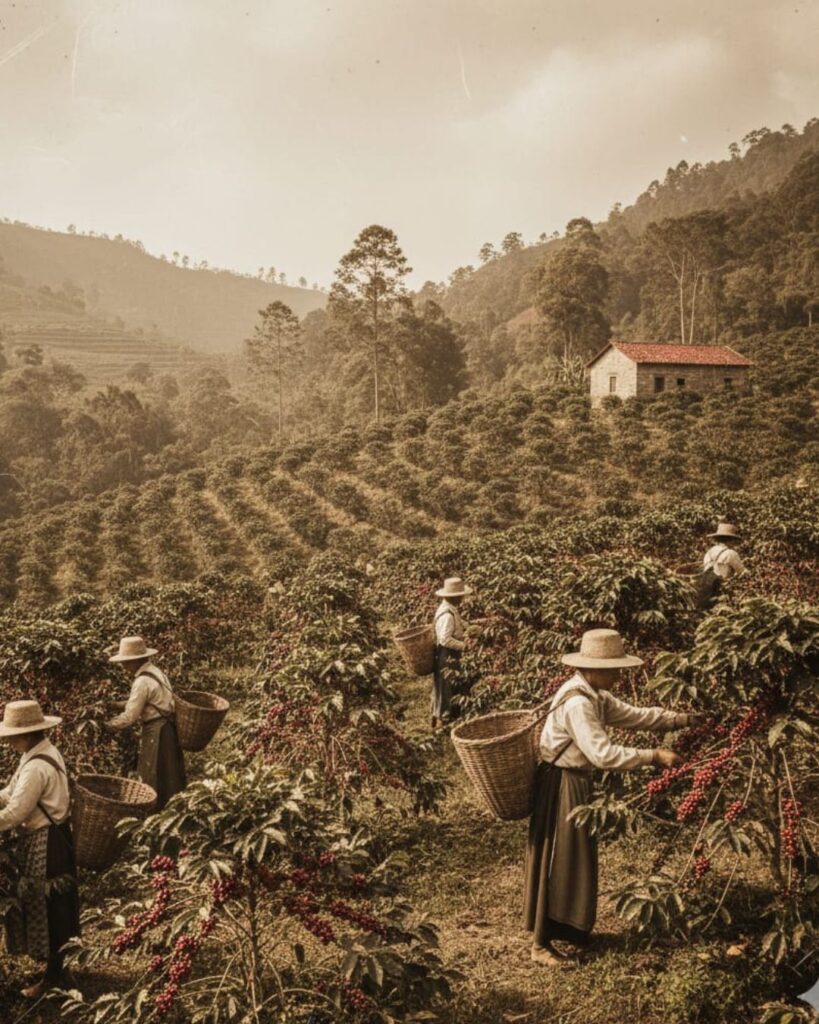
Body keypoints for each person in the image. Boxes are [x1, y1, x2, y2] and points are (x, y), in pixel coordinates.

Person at [524, 629, 696, 967]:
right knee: (559, 858)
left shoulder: (595, 694)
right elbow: (603, 754)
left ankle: (571, 930)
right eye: (614, 669)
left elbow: (635, 715)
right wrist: (653, 756)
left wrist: (681, 720)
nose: (619, 676)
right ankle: (540, 944)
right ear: (593, 667)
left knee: (576, 860)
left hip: (576, 781)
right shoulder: (577, 703)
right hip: (562, 784)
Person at [0, 699, 80, 998]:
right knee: (56, 909)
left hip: (47, 843)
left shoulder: (35, 766)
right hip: (56, 837)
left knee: (52, 910)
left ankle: (55, 978)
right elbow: (10, 793)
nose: (8, 742)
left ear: (27, 734)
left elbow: (15, 813)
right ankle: (61, 969)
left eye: (11, 736)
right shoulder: (42, 752)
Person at [105, 637, 186, 810]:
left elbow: (130, 717)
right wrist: (114, 704)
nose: (124, 667)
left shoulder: (141, 681)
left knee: (154, 774)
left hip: (157, 731)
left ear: (135, 660)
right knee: (170, 774)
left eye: (126, 662)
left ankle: (157, 813)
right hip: (168, 728)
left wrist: (108, 726)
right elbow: (147, 700)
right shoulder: (155, 671)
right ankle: (174, 810)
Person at [431, 577, 471, 730]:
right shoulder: (447, 614)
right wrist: (465, 646)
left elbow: (458, 623)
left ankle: (441, 718)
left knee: (446, 687)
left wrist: (472, 626)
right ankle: (443, 722)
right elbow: (445, 639)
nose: (462, 598)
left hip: (449, 654)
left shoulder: (450, 608)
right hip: (447, 655)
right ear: (455, 597)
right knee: (446, 687)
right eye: (461, 596)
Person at [698, 522, 745, 610]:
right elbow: (742, 573)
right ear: (730, 540)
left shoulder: (710, 551)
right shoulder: (731, 554)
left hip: (706, 589)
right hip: (722, 589)